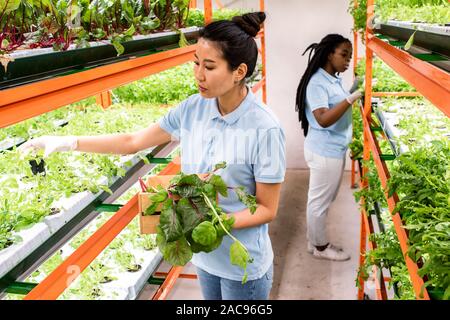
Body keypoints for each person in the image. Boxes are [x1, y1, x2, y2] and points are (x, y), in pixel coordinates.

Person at [20, 12, 286, 300]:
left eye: (209, 66)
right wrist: (68, 142)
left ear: (239, 71)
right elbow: (133, 141)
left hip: (241, 263)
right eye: (196, 62)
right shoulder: (192, 109)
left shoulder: (265, 128)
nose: (198, 74)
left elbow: (266, 209)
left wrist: (214, 222)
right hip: (204, 255)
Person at [295, 34, 362, 261]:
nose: (347, 61)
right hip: (324, 152)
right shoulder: (317, 82)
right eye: (344, 54)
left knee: (322, 200)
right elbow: (323, 118)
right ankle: (321, 247)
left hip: (332, 149)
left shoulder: (331, 79)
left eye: (349, 56)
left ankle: (313, 240)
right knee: (319, 202)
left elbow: (337, 101)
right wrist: (352, 98)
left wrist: (354, 87)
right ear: (329, 53)